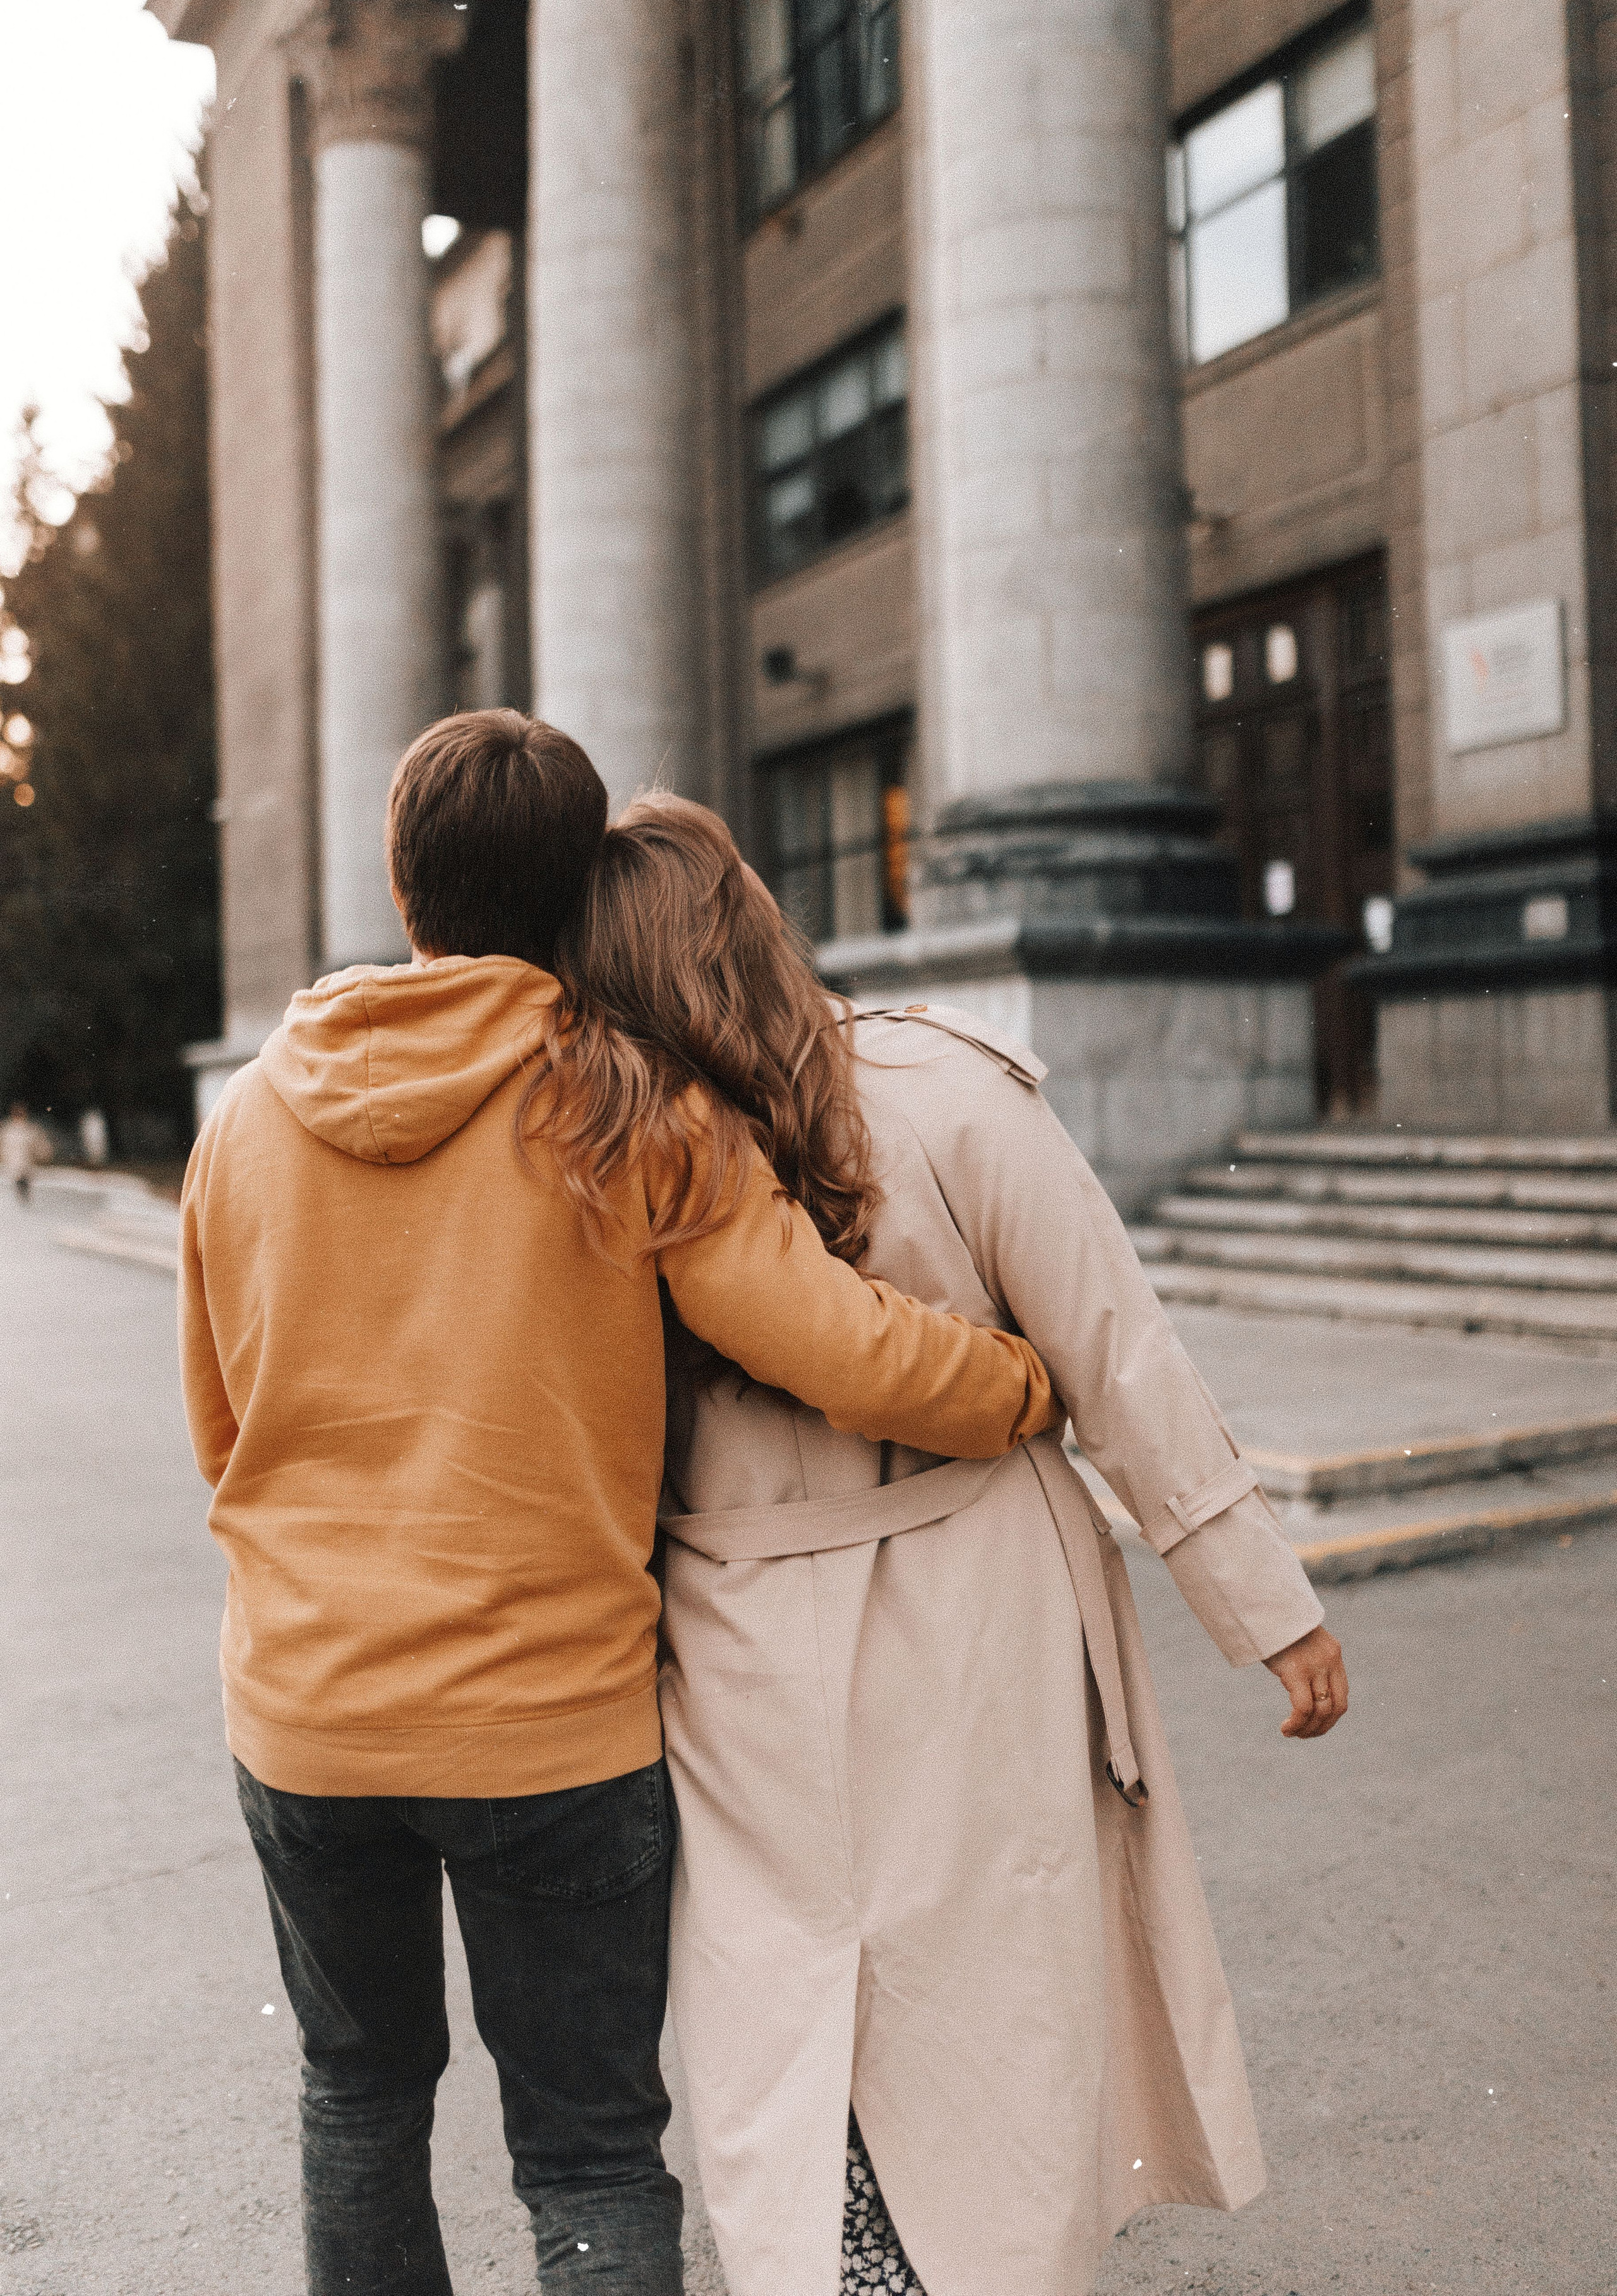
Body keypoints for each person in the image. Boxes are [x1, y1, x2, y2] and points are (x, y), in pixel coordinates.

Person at [177, 712, 1056, 2296]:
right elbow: (839, 1349)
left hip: (304, 1715)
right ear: (579, 880)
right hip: (549, 1730)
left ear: (402, 878)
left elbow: (220, 1425)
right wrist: (1018, 1381)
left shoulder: (240, 1122)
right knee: (584, 2150)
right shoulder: (625, 1105)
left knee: (356, 2098)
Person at [548, 794, 1350, 2296]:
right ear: (750, 921)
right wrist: (1265, 1605)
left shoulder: (594, 1158)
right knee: (992, 2005)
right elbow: (1114, 1349)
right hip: (974, 1604)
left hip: (727, 1642)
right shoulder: (939, 1089)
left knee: (777, 1996)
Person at [3, 1101, 51, 1202]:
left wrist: (44, 1156)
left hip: (26, 1167)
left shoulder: (31, 1129)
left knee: (23, 1190)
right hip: (11, 1167)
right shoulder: (7, 1129)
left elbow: (42, 1147)